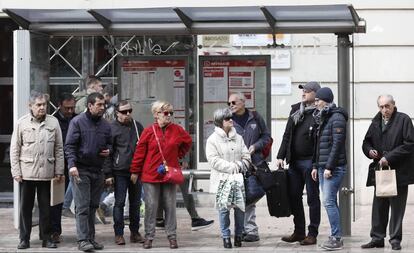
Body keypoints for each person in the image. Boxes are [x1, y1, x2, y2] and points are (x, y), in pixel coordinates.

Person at [130, 100, 192, 249]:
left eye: (171, 113)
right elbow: (139, 153)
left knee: (170, 206)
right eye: (166, 113)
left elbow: (188, 142)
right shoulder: (149, 131)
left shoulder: (177, 129)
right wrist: (135, 171)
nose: (169, 116)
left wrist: (179, 155)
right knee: (151, 206)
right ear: (156, 114)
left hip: (169, 174)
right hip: (150, 174)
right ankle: (149, 237)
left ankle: (172, 237)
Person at [10, 91, 64, 249]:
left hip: (47, 174)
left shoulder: (53, 123)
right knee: (25, 209)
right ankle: (24, 238)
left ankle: (46, 238)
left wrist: (59, 170)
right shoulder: (22, 123)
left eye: (44, 105)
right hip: (26, 174)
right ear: (30, 106)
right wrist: (16, 172)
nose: (42, 108)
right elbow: (15, 149)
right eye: (38, 105)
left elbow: (59, 148)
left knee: (46, 209)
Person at [361, 95, 414, 251]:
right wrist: (369, 151)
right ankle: (377, 238)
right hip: (381, 171)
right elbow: (366, 142)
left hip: (399, 171)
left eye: (387, 106)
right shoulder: (376, 121)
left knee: (397, 207)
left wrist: (388, 157)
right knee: (379, 206)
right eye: (381, 107)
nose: (384, 110)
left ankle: (395, 239)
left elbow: (409, 144)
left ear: (393, 105)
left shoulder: (404, 120)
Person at [65, 92, 112, 252]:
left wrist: (109, 150)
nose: (102, 107)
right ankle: (83, 240)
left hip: (97, 171)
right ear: (89, 105)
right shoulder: (77, 122)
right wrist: (72, 166)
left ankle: (91, 238)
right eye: (99, 105)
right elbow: (70, 146)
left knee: (93, 206)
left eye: (103, 104)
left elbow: (110, 144)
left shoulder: (106, 125)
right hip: (81, 170)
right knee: (83, 207)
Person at [277, 81, 321, 245]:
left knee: (312, 198)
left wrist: (316, 164)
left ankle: (312, 233)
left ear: (316, 94)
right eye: (303, 90)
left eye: (307, 91)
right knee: (294, 196)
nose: (303, 93)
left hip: (310, 162)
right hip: (294, 162)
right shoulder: (296, 110)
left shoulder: (319, 113)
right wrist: (281, 155)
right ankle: (299, 231)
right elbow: (287, 134)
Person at [228, 92, 272, 242]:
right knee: (238, 197)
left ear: (243, 102)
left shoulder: (255, 117)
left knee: (251, 194)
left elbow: (266, 136)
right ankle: (241, 230)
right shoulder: (228, 120)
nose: (231, 106)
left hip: (254, 164)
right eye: (229, 103)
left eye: (233, 102)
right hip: (236, 164)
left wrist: (255, 146)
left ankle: (251, 230)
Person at [205, 108, 251, 249]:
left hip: (238, 179)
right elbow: (213, 160)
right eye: (227, 119)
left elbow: (246, 156)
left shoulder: (239, 137)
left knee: (239, 208)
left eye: (231, 118)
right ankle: (226, 237)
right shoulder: (212, 140)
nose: (231, 120)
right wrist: (231, 167)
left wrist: (240, 165)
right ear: (220, 122)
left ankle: (238, 236)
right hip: (222, 179)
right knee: (224, 210)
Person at [103, 100, 145, 245]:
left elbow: (143, 148)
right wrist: (108, 174)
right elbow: (108, 153)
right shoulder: (111, 128)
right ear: (117, 113)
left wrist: (140, 168)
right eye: (124, 112)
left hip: (136, 171)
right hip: (119, 171)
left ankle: (135, 232)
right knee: (119, 202)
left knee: (135, 203)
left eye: (130, 111)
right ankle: (119, 233)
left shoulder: (137, 126)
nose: (128, 114)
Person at [311, 87, 348, 251]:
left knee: (328, 201)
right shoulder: (324, 117)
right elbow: (319, 145)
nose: (316, 103)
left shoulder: (337, 117)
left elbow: (337, 144)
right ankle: (335, 235)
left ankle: (336, 238)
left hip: (333, 168)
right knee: (330, 201)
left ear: (325, 100)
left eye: (318, 100)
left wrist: (329, 167)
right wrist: (315, 165)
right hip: (323, 166)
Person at [155, 160, 214, 231]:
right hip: (173, 162)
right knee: (184, 185)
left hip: (163, 162)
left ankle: (159, 219)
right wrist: (182, 160)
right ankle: (195, 218)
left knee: (162, 186)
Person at [50, 93, 77, 242]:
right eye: (67, 108)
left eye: (72, 108)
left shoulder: (78, 119)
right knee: (56, 200)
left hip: (75, 164)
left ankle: (85, 233)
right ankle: (55, 231)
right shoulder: (53, 121)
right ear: (60, 105)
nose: (70, 111)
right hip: (59, 165)